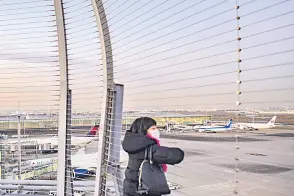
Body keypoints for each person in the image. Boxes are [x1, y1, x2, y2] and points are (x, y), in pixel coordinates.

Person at [122, 117, 184, 196]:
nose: (156, 131)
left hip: (131, 187)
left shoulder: (133, 143)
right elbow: (176, 156)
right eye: (153, 128)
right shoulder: (147, 147)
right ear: (144, 130)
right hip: (143, 190)